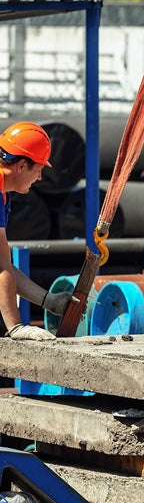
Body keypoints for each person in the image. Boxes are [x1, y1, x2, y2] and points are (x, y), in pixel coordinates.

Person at [0, 121, 78, 341]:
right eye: (40, 169)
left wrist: (47, 300)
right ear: (22, 166)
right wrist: (16, 328)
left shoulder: (3, 192)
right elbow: (1, 265)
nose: (40, 178)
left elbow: (3, 264)